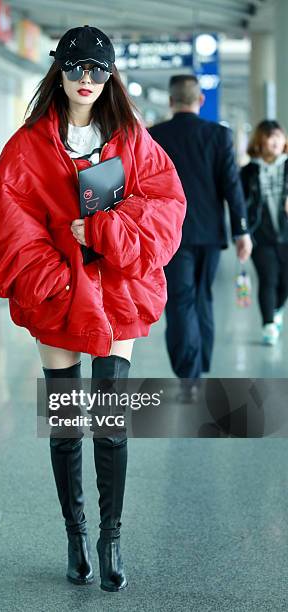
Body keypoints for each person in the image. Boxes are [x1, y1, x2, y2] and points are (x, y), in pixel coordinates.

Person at [0, 25, 186, 591]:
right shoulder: (27, 146)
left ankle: (110, 536)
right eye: (76, 70)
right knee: (68, 425)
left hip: (117, 292)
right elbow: (6, 223)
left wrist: (102, 230)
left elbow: (166, 206)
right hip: (59, 299)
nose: (87, 80)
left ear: (111, 74)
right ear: (59, 73)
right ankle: (75, 534)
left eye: (97, 70)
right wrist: (56, 278)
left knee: (111, 423)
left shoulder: (133, 139)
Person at [149, 75, 253, 401]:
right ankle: (200, 364)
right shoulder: (218, 135)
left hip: (169, 234)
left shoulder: (154, 136)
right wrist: (241, 229)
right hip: (210, 233)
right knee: (203, 296)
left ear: (170, 101)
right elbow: (231, 186)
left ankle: (189, 376)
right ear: (201, 101)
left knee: (181, 301)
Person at [240, 120, 288, 345]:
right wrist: (241, 233)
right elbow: (239, 203)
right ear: (260, 141)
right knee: (268, 278)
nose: (276, 140)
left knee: (284, 281)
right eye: (270, 136)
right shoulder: (248, 171)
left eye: (279, 135)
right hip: (261, 235)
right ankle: (269, 324)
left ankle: (276, 310)